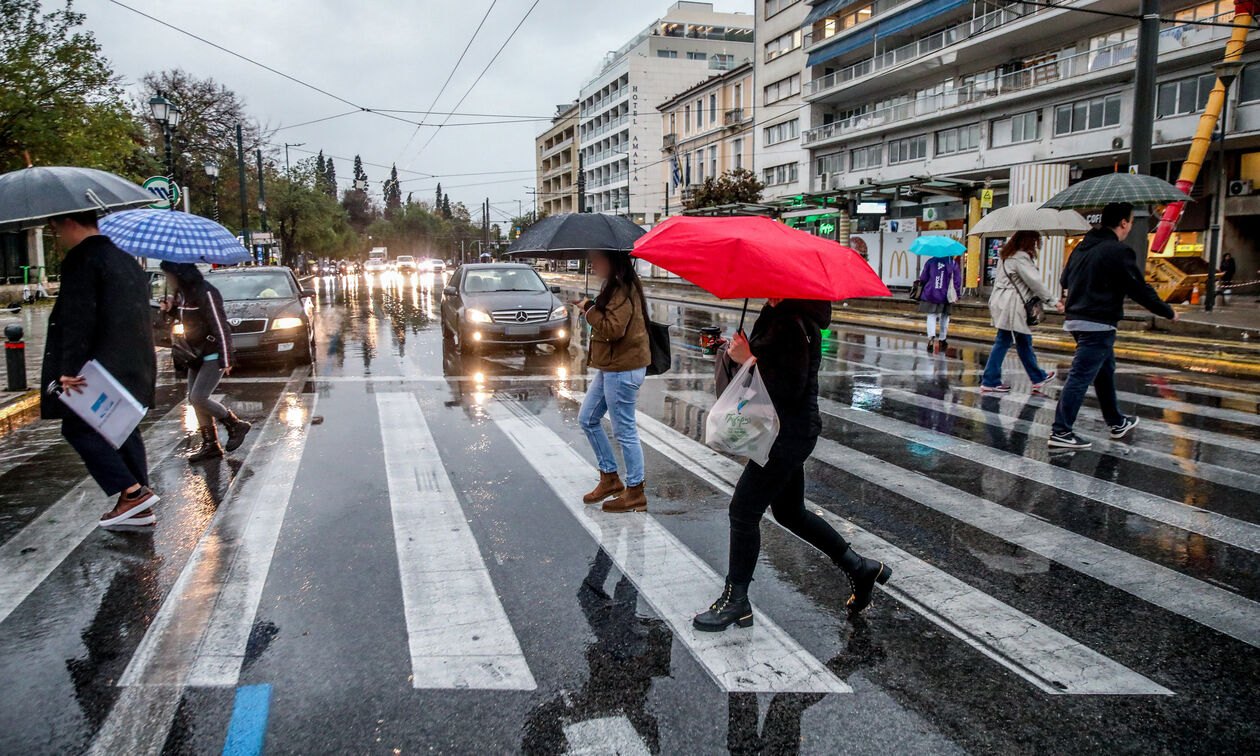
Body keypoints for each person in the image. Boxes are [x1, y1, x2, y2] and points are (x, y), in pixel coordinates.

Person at [693, 299, 890, 632]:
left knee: (743, 511)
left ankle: (736, 600)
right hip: (785, 431)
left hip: (786, 436)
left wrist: (749, 360)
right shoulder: (778, 315)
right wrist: (738, 351)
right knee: (789, 512)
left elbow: (788, 388)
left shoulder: (793, 324)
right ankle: (860, 568)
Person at [40, 211, 158, 528]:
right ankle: (139, 505)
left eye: (54, 227)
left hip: (97, 367)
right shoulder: (125, 259)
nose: (56, 236)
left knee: (78, 428)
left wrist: (68, 369)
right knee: (122, 427)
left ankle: (133, 493)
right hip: (133, 364)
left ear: (68, 223)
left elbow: (78, 319)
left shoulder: (82, 260)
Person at [1049, 203, 1178, 449]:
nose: (1129, 226)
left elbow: (1064, 279)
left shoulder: (1081, 248)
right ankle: (1061, 432)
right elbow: (1139, 289)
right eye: (1130, 221)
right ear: (1123, 223)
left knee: (1104, 370)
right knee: (1080, 375)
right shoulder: (1117, 251)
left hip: (1077, 319)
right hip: (1098, 322)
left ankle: (1116, 422)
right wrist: (1167, 311)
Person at [576, 251, 651, 513]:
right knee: (587, 418)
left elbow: (612, 329)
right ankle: (610, 478)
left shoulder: (622, 289)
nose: (593, 264)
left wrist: (588, 310)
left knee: (624, 431)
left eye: (597, 259)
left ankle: (635, 492)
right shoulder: (613, 287)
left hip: (623, 369)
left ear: (612, 261)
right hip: (611, 367)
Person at [159, 261, 250, 461]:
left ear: (180, 274)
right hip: (195, 355)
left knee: (198, 397)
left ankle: (235, 424)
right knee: (194, 399)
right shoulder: (183, 295)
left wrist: (227, 358)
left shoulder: (207, 292)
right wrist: (171, 309)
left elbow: (220, 325)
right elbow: (191, 321)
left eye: (169, 275)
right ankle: (211, 445)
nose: (168, 279)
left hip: (212, 353)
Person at [981, 231, 1059, 393]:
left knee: (1022, 341)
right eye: (1036, 241)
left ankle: (1037, 376)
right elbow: (1035, 283)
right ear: (1029, 242)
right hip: (1013, 305)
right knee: (1004, 341)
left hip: (1004, 302)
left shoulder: (1007, 256)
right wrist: (1053, 301)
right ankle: (990, 380)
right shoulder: (1020, 258)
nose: (1037, 245)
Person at [917, 254, 962, 353]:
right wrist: (957, 294)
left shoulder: (930, 262)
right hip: (946, 295)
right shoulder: (952, 263)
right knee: (945, 316)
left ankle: (931, 338)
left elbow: (923, 278)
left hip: (931, 293)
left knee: (931, 315)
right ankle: (942, 338)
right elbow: (957, 281)